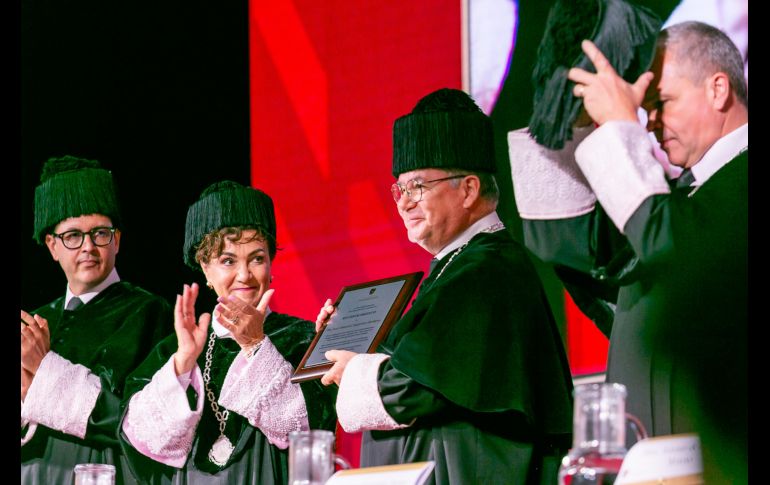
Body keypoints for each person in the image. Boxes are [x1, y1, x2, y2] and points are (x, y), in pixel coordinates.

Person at [509, 21, 748, 482]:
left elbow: (676, 251)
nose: (651, 122)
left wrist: (622, 128)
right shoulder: (677, 197)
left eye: (662, 103)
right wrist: (569, 123)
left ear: (718, 89)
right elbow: (576, 250)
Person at [316, 88, 574, 485]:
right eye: (399, 189)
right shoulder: (456, 266)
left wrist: (356, 371)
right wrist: (345, 347)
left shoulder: (487, 270)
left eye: (417, 186)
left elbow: (415, 385)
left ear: (469, 189)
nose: (403, 203)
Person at [118, 180, 337, 483]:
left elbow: (314, 432)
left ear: (271, 264)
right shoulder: (175, 351)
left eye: (257, 259)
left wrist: (255, 345)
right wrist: (182, 364)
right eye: (228, 261)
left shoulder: (302, 338)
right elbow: (142, 445)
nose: (245, 275)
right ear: (206, 269)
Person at [21, 155, 174, 484]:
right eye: (73, 236)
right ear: (52, 246)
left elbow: (136, 420)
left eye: (100, 234)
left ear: (116, 240)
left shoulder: (147, 311)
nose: (88, 247)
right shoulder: (36, 322)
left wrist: (43, 372)